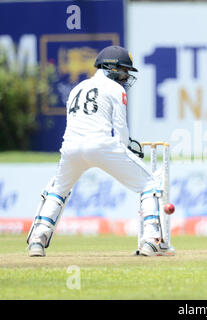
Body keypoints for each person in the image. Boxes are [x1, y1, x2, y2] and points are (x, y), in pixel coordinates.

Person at [27, 45, 174, 257]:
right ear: (111, 67)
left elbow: (74, 124)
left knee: (58, 190)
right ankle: (151, 239)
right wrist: (129, 146)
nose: (125, 76)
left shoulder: (77, 88)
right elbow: (121, 130)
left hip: (71, 147)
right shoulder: (116, 90)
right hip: (102, 144)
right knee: (149, 184)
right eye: (123, 70)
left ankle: (37, 239)